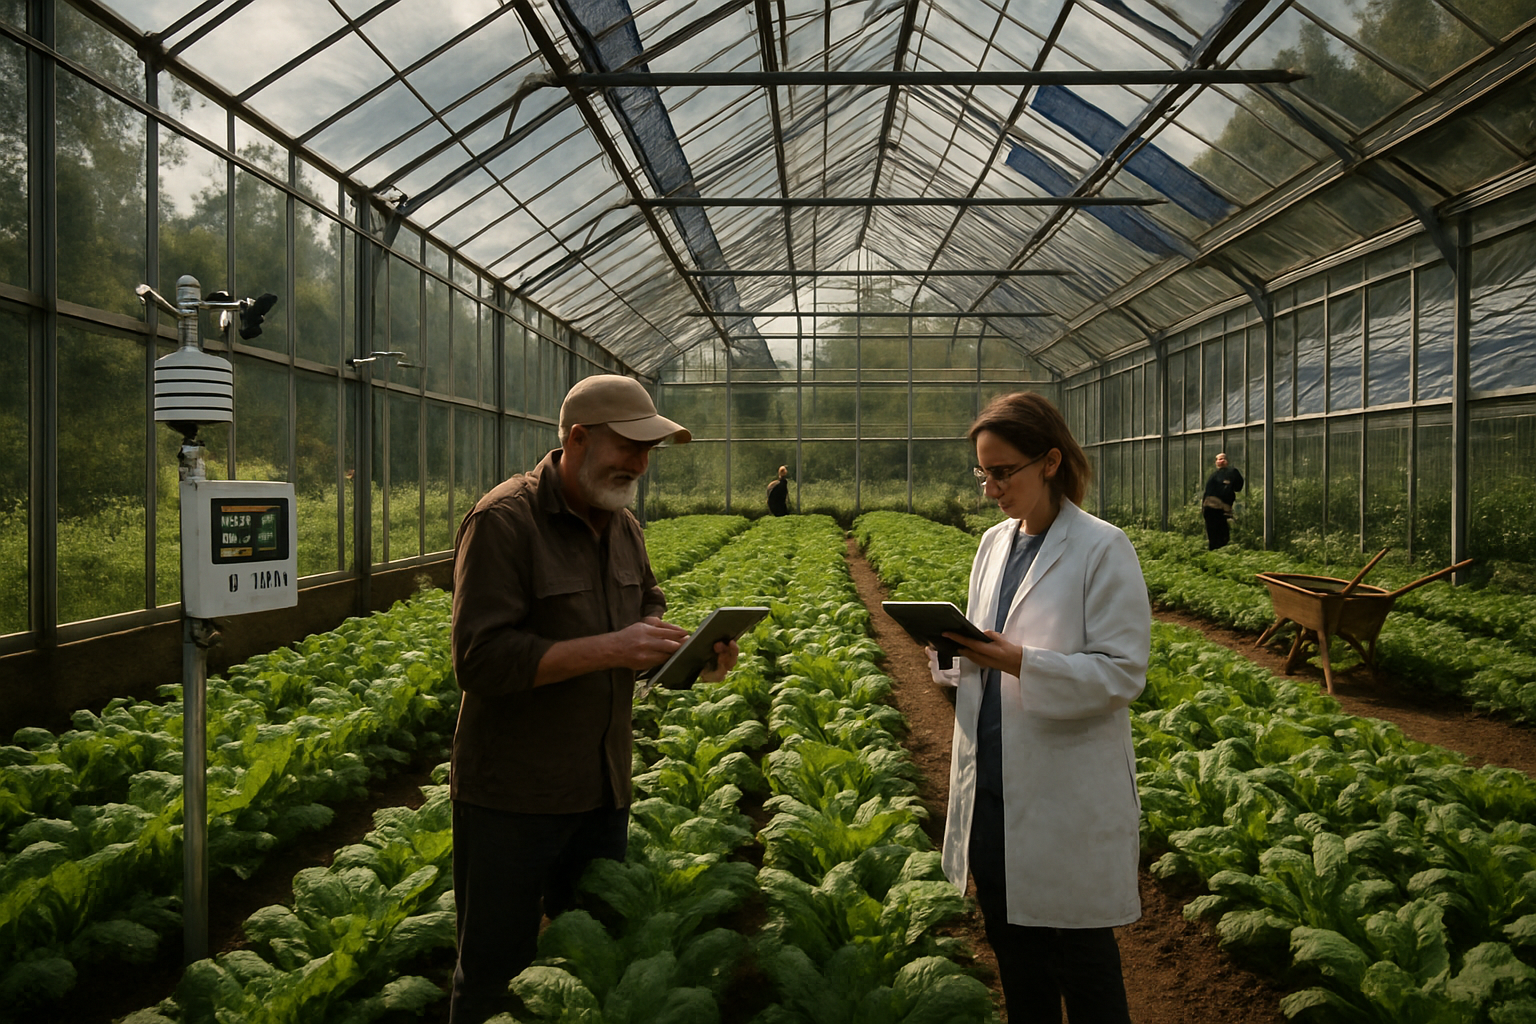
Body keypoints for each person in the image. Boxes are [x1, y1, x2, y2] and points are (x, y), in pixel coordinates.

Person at [447, 374, 739, 1024]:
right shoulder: (504, 520)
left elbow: (647, 607)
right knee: (495, 974)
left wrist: (686, 657)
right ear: (577, 438)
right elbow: (480, 659)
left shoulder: (623, 525)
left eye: (648, 452)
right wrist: (612, 647)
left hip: (603, 791)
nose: (639, 464)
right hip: (513, 799)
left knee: (591, 961)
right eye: (628, 447)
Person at [928, 391, 1149, 1024]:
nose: (991, 488)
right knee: (1017, 960)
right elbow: (982, 643)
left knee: (1083, 963)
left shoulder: (1103, 548)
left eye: (1003, 472)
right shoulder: (993, 544)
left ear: (1049, 462)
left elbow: (1122, 672)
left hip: (1065, 796)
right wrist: (950, 657)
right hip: (994, 792)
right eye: (983, 474)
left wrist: (1018, 660)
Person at [1201, 452, 1244, 550]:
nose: (1221, 461)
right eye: (1218, 459)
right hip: (1212, 509)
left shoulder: (1232, 472)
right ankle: (1216, 553)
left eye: (1223, 458)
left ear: (1227, 461)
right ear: (1216, 462)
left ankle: (1217, 551)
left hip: (1220, 510)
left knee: (1222, 535)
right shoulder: (1214, 476)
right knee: (1215, 535)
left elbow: (1238, 487)